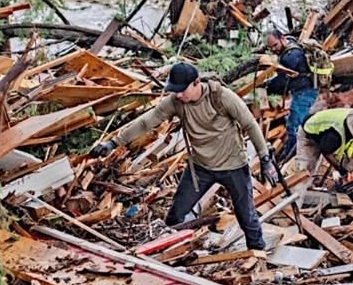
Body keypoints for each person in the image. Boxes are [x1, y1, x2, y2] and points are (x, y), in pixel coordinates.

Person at [91, 62, 279, 250]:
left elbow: (250, 125)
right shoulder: (176, 102)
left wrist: (264, 159)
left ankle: (257, 255)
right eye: (175, 90)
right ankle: (174, 253)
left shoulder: (221, 97)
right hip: (200, 168)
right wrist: (113, 142)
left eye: (182, 90)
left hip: (233, 165)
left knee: (246, 216)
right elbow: (146, 122)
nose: (179, 94)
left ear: (196, 82)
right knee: (176, 215)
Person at [297, 107, 353, 200]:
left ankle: (347, 193)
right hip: (310, 133)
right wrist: (342, 170)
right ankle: (295, 204)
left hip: (332, 137)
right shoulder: (334, 135)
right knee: (304, 174)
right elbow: (326, 152)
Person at [265, 30, 318, 162]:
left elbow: (281, 81)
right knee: (302, 122)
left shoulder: (290, 56)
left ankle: (292, 158)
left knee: (293, 126)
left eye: (275, 45)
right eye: (270, 48)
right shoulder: (290, 44)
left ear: (282, 39)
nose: (273, 50)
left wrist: (266, 86)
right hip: (303, 90)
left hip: (304, 92)